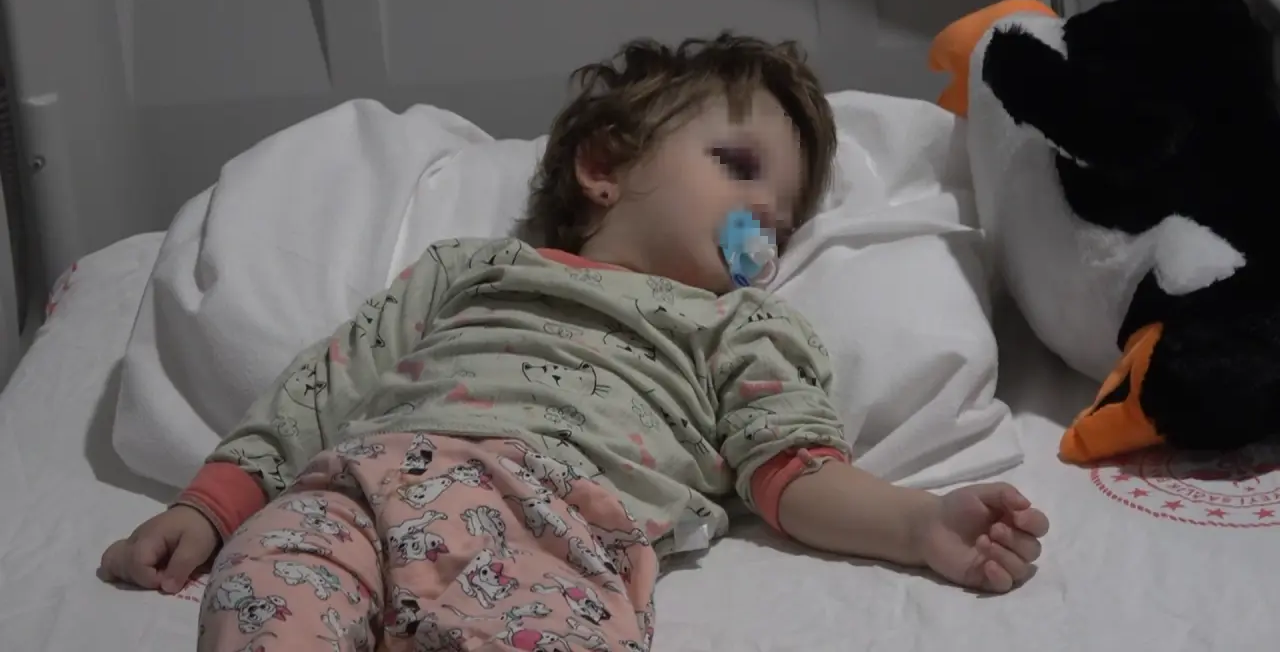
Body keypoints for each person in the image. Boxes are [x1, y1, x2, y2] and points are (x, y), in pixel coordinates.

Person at [100, 33, 1050, 651]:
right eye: (738, 166)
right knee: (269, 591)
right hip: (358, 488)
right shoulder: (471, 268)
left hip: (550, 531)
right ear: (603, 166)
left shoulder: (741, 326)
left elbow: (794, 470)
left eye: (784, 217)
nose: (760, 217)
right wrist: (213, 505)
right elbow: (323, 385)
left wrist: (920, 524)